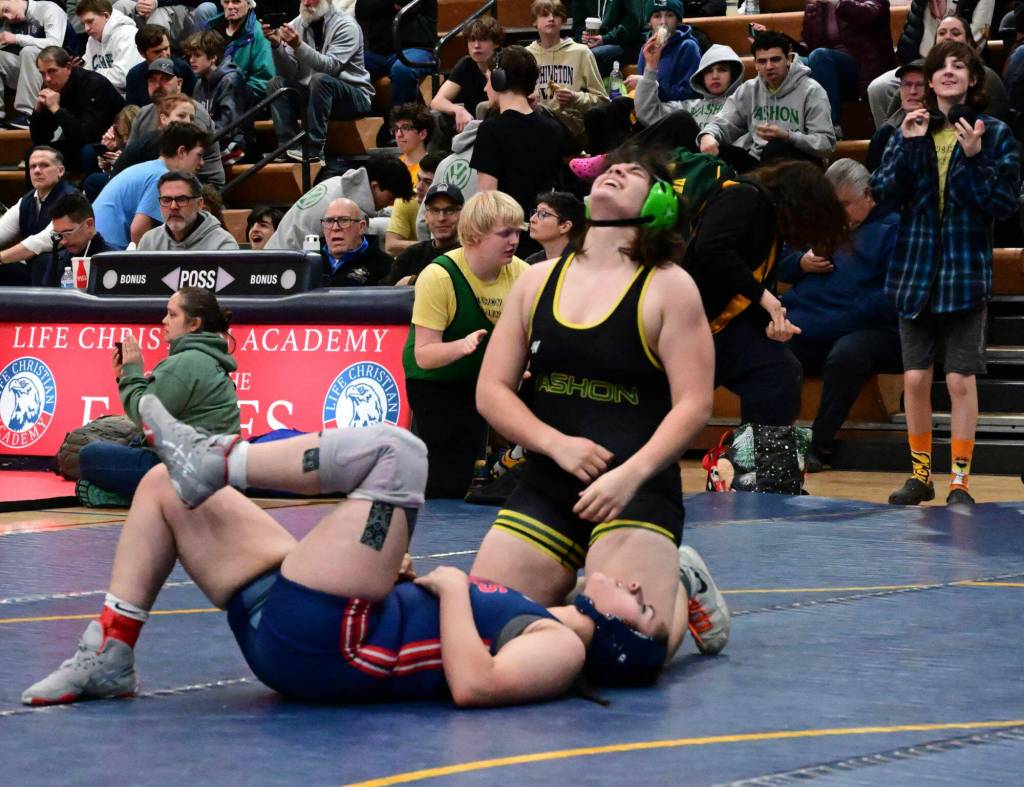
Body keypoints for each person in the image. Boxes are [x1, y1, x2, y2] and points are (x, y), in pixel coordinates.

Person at [24, 394, 674, 707]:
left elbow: (476, 684)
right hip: (317, 624)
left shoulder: (564, 646)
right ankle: (110, 650)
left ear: (616, 634)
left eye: (642, 607)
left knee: (400, 454)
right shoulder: (547, 610)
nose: (640, 589)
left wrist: (448, 589)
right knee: (168, 488)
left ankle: (221, 457)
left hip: (333, 639)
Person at [469, 148, 726, 672]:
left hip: (634, 489)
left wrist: (629, 476)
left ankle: (677, 580)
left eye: (634, 174)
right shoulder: (537, 281)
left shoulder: (669, 287)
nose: (616, 171)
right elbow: (491, 390)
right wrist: (554, 444)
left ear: (657, 203)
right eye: (613, 167)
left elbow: (696, 404)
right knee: (487, 632)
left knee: (625, 653)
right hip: (550, 480)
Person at [870, 40, 1019, 506]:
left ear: (974, 80)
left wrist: (974, 157)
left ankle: (959, 479)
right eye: (941, 67)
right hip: (914, 271)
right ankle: (919, 475)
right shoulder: (906, 129)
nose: (949, 72)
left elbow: (1003, 205)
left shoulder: (993, 133)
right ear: (929, 81)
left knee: (959, 380)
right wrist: (912, 147)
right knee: (914, 379)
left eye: (960, 66)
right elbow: (884, 196)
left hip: (964, 271)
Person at [684, 160, 849, 428]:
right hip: (689, 325)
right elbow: (711, 249)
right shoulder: (743, 196)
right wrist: (764, 297)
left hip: (724, 327)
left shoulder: (771, 219)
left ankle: (761, 463)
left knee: (778, 372)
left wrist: (772, 323)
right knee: (658, 411)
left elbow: (754, 280)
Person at [777, 159, 902, 471]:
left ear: (868, 195)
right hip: (813, 319)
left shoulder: (895, 229)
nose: (837, 214)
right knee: (770, 349)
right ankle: (768, 444)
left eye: (844, 205)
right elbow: (781, 261)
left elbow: (893, 296)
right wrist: (801, 263)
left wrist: (842, 313)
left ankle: (818, 445)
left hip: (874, 329)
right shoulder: (822, 224)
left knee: (848, 353)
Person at [403, 190, 529, 499]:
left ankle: (516, 471)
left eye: (517, 231)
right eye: (504, 233)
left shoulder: (523, 273)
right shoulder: (438, 276)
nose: (514, 240)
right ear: (474, 235)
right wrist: (463, 346)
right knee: (447, 482)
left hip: (486, 379)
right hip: (436, 382)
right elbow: (425, 356)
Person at [73, 287, 240, 506]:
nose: (164, 320)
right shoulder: (204, 359)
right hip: (213, 471)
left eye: (172, 315)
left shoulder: (186, 362)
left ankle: (123, 497)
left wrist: (132, 371)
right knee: (128, 443)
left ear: (194, 324)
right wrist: (125, 377)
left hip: (189, 472)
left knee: (89, 456)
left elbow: (146, 419)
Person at [574, 42, 745, 179]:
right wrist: (650, 69)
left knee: (680, 119)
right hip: (684, 162)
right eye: (708, 71)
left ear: (734, 74)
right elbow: (649, 113)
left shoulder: (741, 102)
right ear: (701, 76)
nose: (715, 76)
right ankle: (611, 170)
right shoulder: (693, 104)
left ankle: (612, 161)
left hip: (720, 160)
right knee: (617, 109)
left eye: (722, 70)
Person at [698, 30, 837, 173]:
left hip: (801, 167)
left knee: (775, 147)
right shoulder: (749, 89)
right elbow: (724, 122)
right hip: (758, 164)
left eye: (775, 59)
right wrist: (708, 135)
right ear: (756, 64)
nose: (769, 66)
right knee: (716, 149)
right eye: (762, 61)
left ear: (788, 58)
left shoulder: (812, 90)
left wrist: (788, 136)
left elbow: (827, 144)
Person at [471, 46, 564, 256]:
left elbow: (487, 198)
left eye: (488, 80)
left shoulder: (491, 129)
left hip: (507, 240)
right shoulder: (553, 128)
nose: (486, 88)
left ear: (498, 79)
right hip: (543, 238)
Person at [264, 0, 374, 164]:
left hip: (354, 95)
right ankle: (287, 147)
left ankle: (313, 149)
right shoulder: (296, 25)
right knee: (276, 83)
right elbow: (288, 73)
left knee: (320, 80)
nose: (306, 2)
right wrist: (277, 45)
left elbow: (331, 67)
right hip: (316, 95)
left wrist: (298, 45)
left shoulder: (346, 24)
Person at [869, 9, 1003, 127]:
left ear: (969, 42)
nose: (947, 37)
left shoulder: (988, 77)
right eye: (942, 33)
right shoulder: (916, 78)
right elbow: (889, 126)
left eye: (955, 33)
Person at [93, 121, 207, 250]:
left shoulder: (152, 169)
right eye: (199, 155)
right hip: (107, 252)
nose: (202, 163)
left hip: (101, 247)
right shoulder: (161, 177)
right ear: (181, 152)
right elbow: (138, 232)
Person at [266, 152, 413, 250]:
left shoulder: (338, 182)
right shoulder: (348, 209)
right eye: (391, 197)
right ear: (375, 186)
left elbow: (376, 211)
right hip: (285, 268)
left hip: (273, 252)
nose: (390, 202)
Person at [118, 57, 225, 187]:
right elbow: (131, 156)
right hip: (159, 181)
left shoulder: (191, 112)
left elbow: (186, 167)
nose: (158, 85)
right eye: (152, 80)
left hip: (201, 185)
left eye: (165, 79)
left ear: (179, 84)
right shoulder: (143, 113)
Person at [802, 0, 898, 139]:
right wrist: (785, 46)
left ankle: (830, 126)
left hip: (862, 68)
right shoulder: (815, 5)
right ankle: (791, 130)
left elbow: (870, 16)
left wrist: (838, 3)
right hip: (826, 64)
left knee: (820, 56)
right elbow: (809, 43)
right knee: (795, 62)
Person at [526, 0, 609, 151]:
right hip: (532, 128)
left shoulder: (582, 53)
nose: (551, 18)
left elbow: (603, 102)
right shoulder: (526, 55)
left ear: (563, 21)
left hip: (570, 131)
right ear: (534, 21)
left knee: (540, 111)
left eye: (557, 14)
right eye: (545, 14)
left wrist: (576, 98)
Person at [29, 45, 126, 172]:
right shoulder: (52, 86)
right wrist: (38, 111)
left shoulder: (93, 83)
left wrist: (56, 109)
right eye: (42, 73)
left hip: (108, 145)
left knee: (88, 152)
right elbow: (40, 138)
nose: (47, 79)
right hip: (76, 143)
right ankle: (38, 193)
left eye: (52, 71)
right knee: (36, 154)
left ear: (68, 67)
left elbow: (88, 135)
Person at [0, 146, 75, 286]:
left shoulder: (71, 199)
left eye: (44, 165)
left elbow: (40, 243)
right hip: (33, 271)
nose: (37, 171)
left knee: (44, 260)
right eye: (32, 166)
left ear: (60, 171)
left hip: (65, 274)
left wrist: (1, 256)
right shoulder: (26, 201)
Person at [429, 15, 501, 148]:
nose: (476, 45)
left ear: (496, 43)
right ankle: (437, 163)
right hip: (472, 126)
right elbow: (436, 101)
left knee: (483, 107)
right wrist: (458, 110)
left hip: (500, 125)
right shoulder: (466, 64)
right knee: (436, 116)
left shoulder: (504, 62)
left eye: (483, 40)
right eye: (472, 40)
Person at [355, 0, 436, 113]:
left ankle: (400, 124)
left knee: (403, 69)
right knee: (348, 64)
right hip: (378, 52)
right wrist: (390, 5)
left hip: (417, 48)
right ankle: (373, 117)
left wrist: (378, 7)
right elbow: (361, 10)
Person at [184, 29, 250, 162]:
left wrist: (200, 141)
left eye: (197, 55)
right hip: (210, 142)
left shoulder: (230, 79)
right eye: (190, 56)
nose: (191, 60)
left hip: (235, 143)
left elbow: (230, 126)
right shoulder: (199, 84)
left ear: (213, 57)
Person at [0, 0, 68, 128]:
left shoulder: (49, 9)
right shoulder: (9, 24)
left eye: (6, 10)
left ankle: (29, 115)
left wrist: (17, 38)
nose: (8, 18)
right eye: (3, 17)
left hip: (59, 70)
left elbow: (55, 44)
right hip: (31, 73)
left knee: (29, 51)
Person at [137, 170, 240, 250]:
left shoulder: (223, 244)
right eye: (166, 200)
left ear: (199, 204)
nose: (173, 206)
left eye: (181, 199)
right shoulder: (149, 241)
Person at [387, 182, 462, 285]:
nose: (441, 218)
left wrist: (413, 281)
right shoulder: (411, 255)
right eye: (435, 210)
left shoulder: (470, 255)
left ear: (463, 214)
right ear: (426, 216)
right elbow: (384, 294)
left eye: (450, 210)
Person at [383, 104, 434, 255]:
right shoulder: (391, 167)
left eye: (405, 128)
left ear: (423, 134)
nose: (398, 134)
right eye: (396, 129)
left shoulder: (429, 171)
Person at [630, 0, 700, 103]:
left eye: (670, 15)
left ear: (678, 20)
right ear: (649, 22)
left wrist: (647, 86)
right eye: (657, 16)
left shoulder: (688, 47)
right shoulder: (646, 48)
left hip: (675, 112)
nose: (663, 22)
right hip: (649, 109)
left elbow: (689, 93)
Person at [202, 0, 273, 100]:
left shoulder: (259, 34)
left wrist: (234, 95)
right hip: (208, 95)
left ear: (249, 4)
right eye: (226, 2)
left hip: (240, 100)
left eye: (236, 2)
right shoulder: (211, 28)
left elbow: (263, 80)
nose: (230, 6)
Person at [43, 192, 113, 287]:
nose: (63, 241)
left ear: (89, 224)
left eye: (67, 233)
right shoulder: (59, 258)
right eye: (57, 235)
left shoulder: (112, 260)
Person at [867, 59, 925, 172]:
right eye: (907, 85)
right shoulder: (884, 134)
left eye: (920, 85)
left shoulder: (944, 127)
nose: (912, 91)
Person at [318, 197, 391, 286]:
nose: (335, 228)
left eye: (344, 220)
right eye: (329, 221)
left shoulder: (385, 266)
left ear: (361, 227)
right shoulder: (308, 261)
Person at [78, 0, 145, 97]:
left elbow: (122, 78)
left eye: (90, 21)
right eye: (83, 23)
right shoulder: (92, 40)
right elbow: (85, 68)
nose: (86, 28)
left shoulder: (127, 34)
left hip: (129, 100)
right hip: (105, 96)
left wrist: (90, 74)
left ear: (106, 16)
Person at [124, 24, 198, 108]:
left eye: (166, 48)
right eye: (157, 52)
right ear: (142, 53)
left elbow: (195, 104)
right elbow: (132, 111)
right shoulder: (134, 75)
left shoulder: (182, 69)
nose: (165, 55)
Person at [388, 151, 442, 257]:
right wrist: (431, 246)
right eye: (419, 179)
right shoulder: (407, 200)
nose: (419, 187)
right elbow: (391, 245)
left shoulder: (454, 206)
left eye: (427, 182)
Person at [83, 104, 139, 201]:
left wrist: (120, 164)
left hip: (135, 186)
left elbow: (135, 176)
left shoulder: (146, 145)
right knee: (89, 152)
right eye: (122, 135)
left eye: (128, 135)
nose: (125, 140)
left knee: (92, 181)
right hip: (121, 179)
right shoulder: (120, 140)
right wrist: (108, 167)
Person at [585, 0, 646, 77]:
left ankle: (597, 88)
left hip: (631, 43)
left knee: (591, 55)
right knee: (578, 51)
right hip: (609, 40)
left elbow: (633, 22)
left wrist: (605, 38)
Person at [525, 190, 584, 263]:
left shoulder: (582, 263)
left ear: (564, 226)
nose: (532, 219)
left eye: (543, 214)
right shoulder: (531, 262)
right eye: (535, 212)